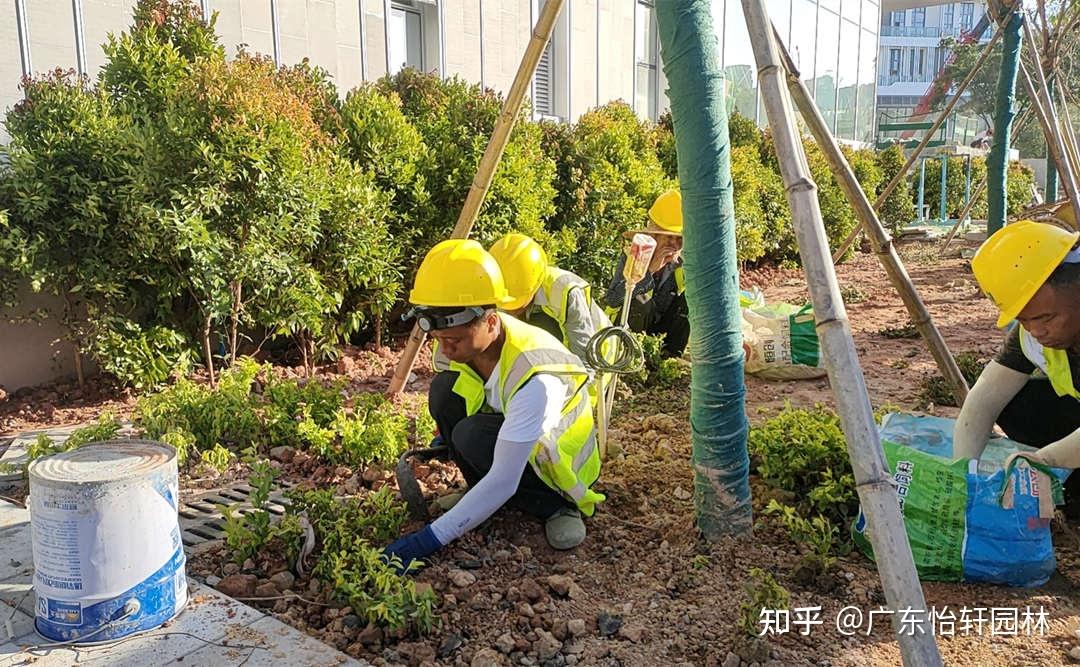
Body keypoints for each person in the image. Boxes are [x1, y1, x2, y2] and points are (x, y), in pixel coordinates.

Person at [382, 239, 605, 572]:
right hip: (514, 436)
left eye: (453, 340)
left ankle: (555, 508)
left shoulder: (537, 378)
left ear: (489, 321)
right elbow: (463, 395)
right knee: (443, 391)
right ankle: (479, 496)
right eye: (439, 339)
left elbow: (503, 477)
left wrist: (428, 540)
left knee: (472, 436)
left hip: (561, 465)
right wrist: (446, 437)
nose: (444, 350)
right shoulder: (459, 341)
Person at [954, 220, 1080, 516]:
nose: (1036, 331)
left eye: (1046, 318)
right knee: (1018, 402)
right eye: (1024, 320)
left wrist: (1044, 460)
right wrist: (964, 475)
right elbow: (983, 402)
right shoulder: (1031, 336)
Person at [488, 233, 611, 362]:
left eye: (515, 303)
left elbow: (584, 357)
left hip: (599, 357)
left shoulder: (564, 292)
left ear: (535, 285)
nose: (509, 310)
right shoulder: (493, 284)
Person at [602, 189, 689, 358]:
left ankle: (666, 360)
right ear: (654, 236)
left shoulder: (682, 266)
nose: (674, 245)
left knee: (690, 301)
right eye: (669, 238)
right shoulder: (631, 256)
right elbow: (613, 299)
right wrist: (648, 271)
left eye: (680, 239)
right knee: (642, 301)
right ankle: (627, 357)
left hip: (658, 333)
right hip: (624, 330)